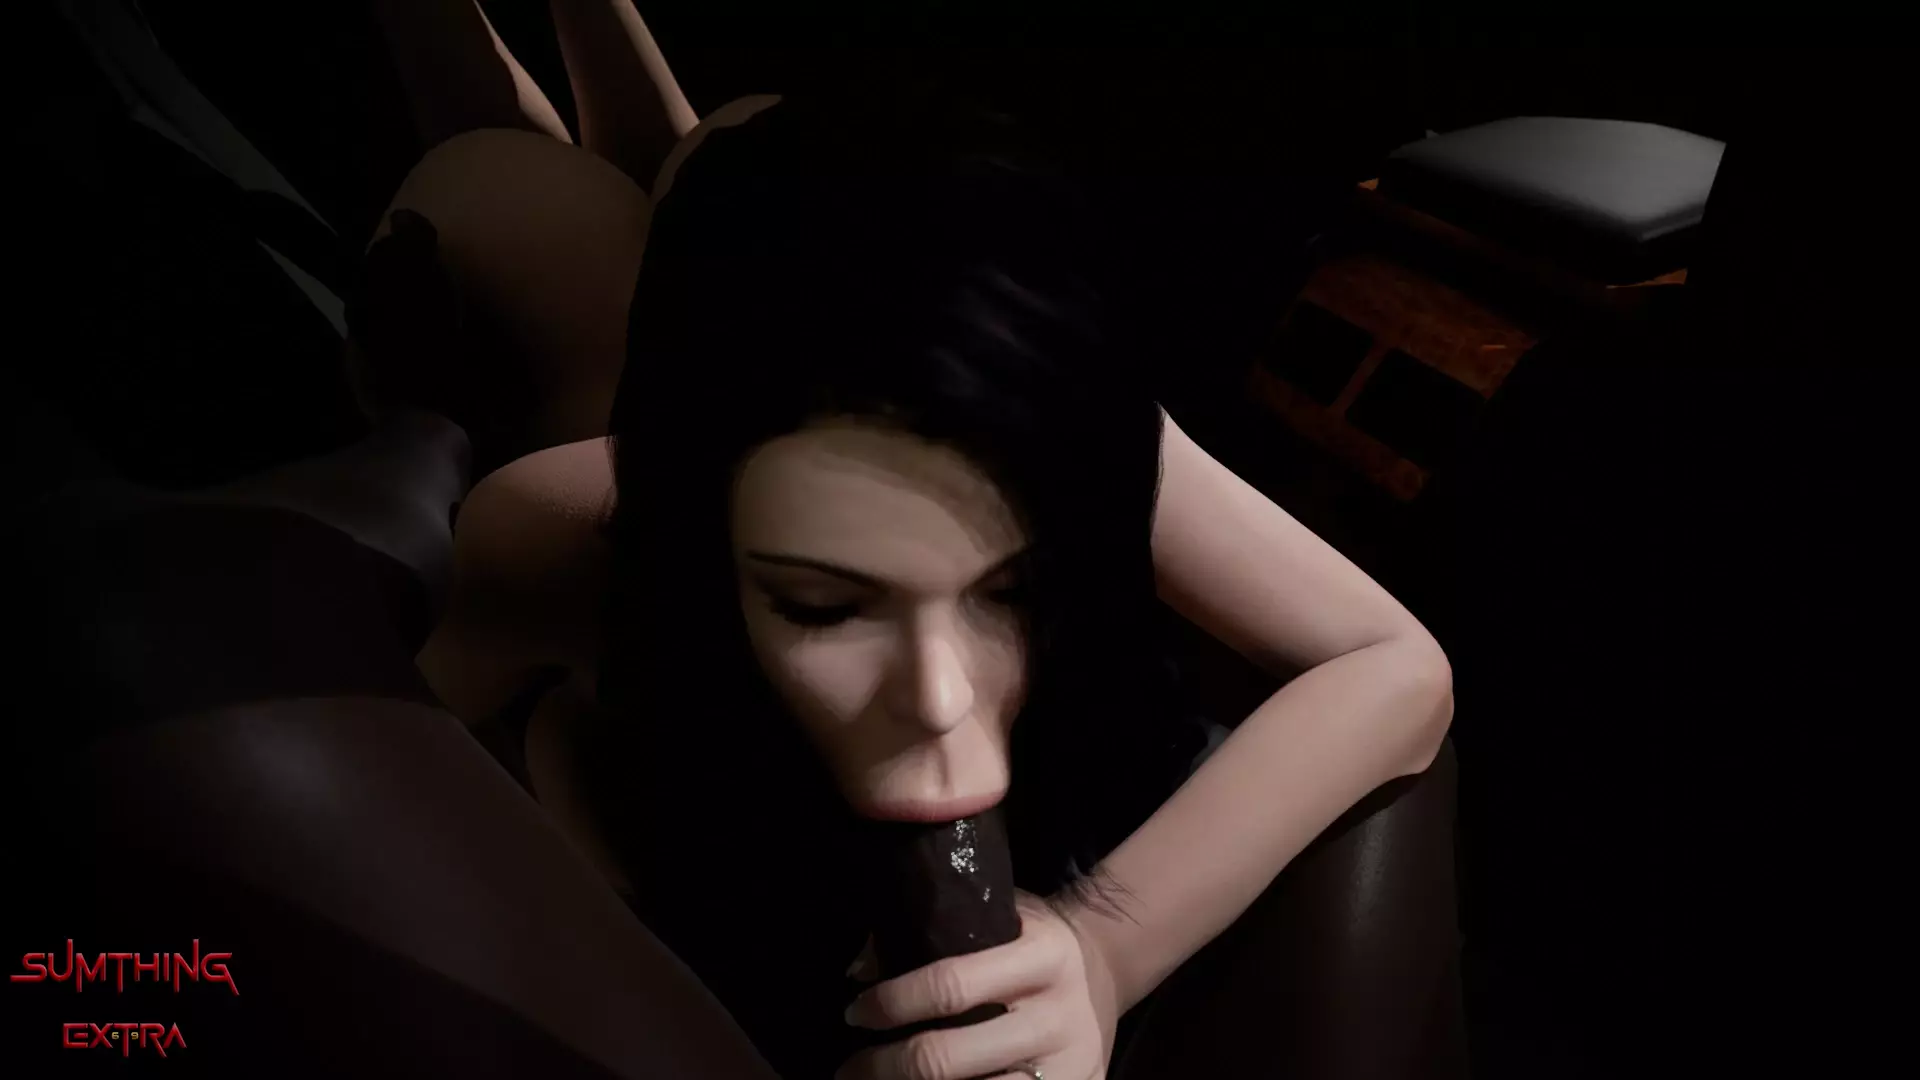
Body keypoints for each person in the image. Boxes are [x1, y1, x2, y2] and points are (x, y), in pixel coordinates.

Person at [374, 49, 1454, 1080]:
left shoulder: (1065, 438)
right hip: (623, 410)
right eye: (821, 606)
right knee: (508, 186)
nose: (941, 700)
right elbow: (400, 796)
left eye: (1017, 590)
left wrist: (1106, 946)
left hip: (775, 315)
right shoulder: (547, 534)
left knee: (732, 137)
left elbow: (1395, 662)